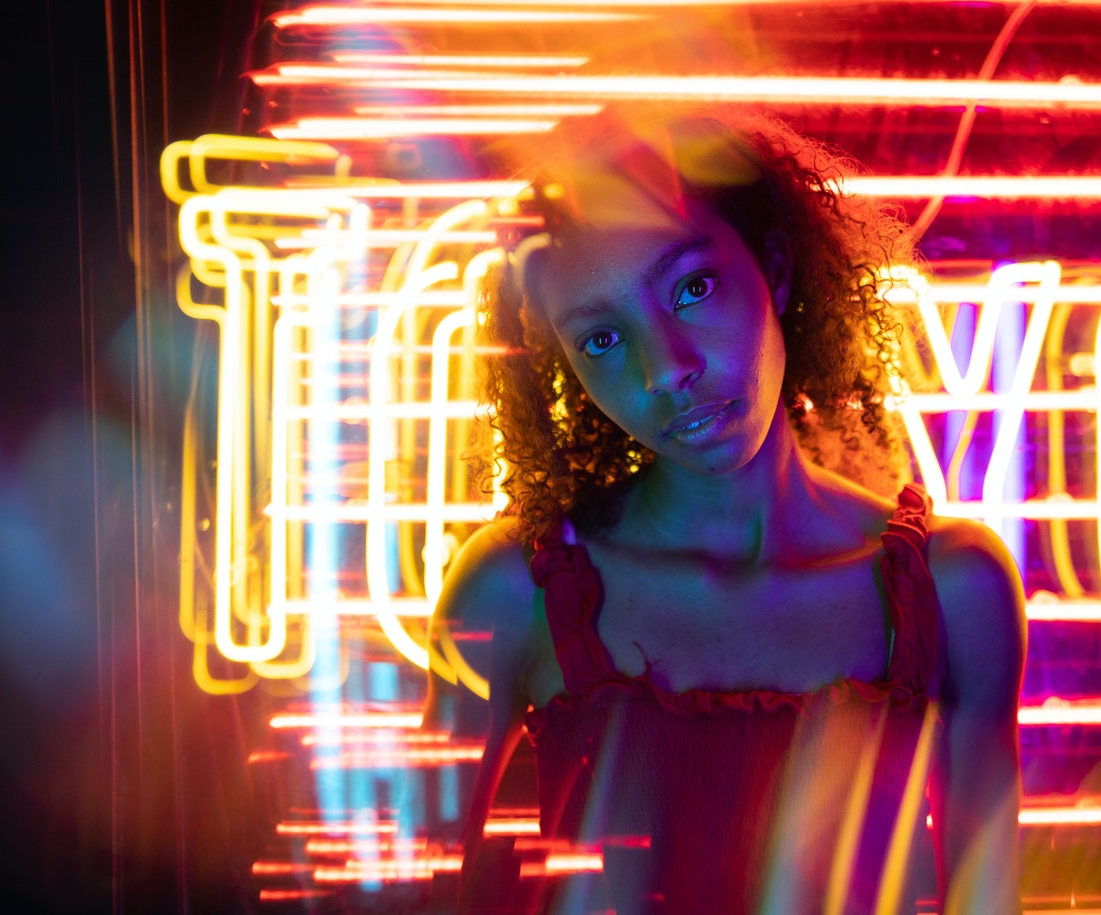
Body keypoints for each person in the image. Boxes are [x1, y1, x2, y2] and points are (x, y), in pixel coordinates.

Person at [424, 112, 1023, 915]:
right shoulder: (512, 591)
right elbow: (412, 898)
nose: (667, 368)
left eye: (693, 288)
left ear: (773, 269)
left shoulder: (954, 591)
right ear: (563, 368)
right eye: (601, 338)